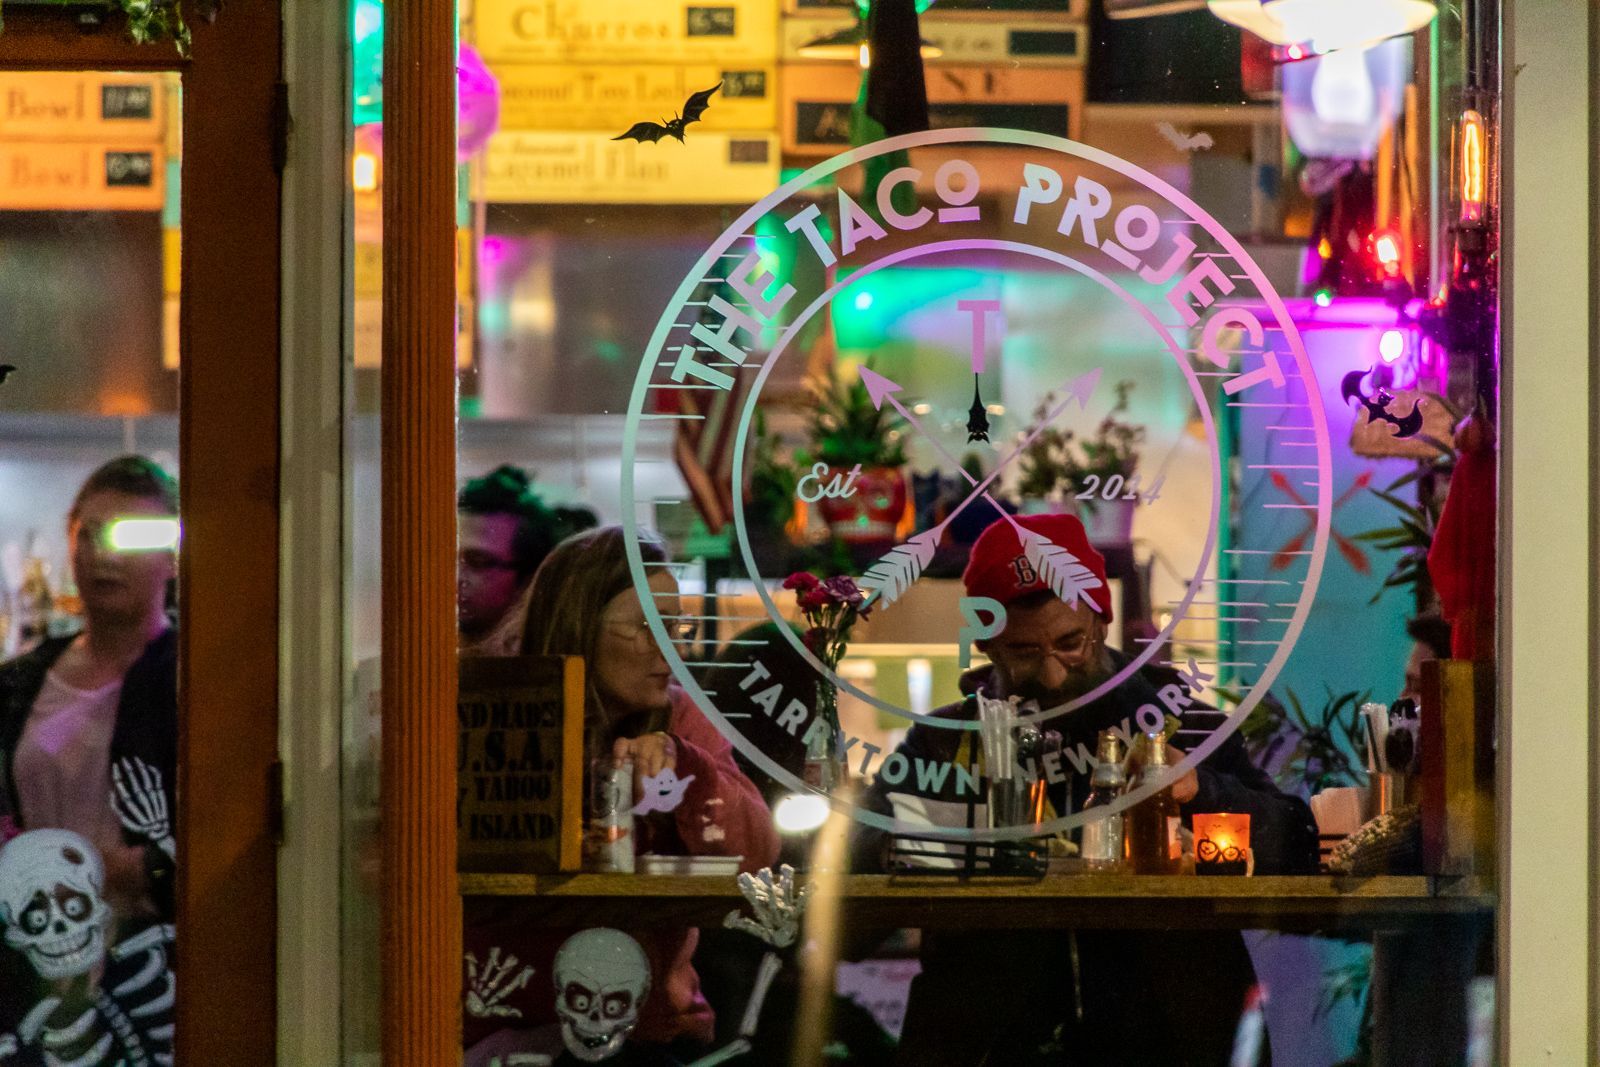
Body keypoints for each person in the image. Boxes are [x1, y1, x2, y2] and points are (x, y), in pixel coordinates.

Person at [851, 513, 1319, 1066]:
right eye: (1025, 652)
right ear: (986, 642)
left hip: (1170, 1041)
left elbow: (1293, 849)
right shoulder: (941, 743)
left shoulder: (1182, 721)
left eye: (1070, 644)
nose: (1052, 675)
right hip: (986, 1045)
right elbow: (851, 912)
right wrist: (900, 842)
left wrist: (1201, 790)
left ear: (1102, 618)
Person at [464, 526, 778, 1064]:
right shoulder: (496, 710)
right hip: (505, 1021)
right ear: (580, 625)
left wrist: (688, 770)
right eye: (645, 627)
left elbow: (760, 853)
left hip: (645, 1026)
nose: (671, 644)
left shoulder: (681, 717)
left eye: (674, 624)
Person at [0, 456, 180, 1057]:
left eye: (132, 535)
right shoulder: (20, 683)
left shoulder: (195, 682)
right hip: (31, 969)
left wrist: (136, 870)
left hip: (151, 963)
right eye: (90, 533)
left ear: (171, 555)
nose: (106, 553)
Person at [458, 464, 596, 651]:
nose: (457, 576)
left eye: (478, 562)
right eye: (450, 559)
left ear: (528, 578)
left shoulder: (545, 666)